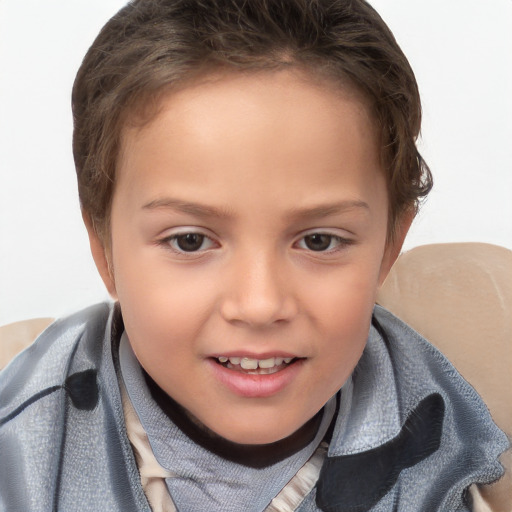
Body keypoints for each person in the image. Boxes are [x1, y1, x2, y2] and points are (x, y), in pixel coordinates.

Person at [0, 1, 508, 510]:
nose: (260, 304)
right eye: (190, 241)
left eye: (318, 241)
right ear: (103, 250)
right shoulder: (20, 446)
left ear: (389, 246)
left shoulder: (448, 454)